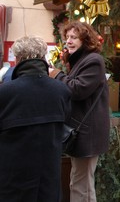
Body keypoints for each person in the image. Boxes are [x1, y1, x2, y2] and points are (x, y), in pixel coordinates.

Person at [0, 36, 71, 201]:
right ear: (43, 57)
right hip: (49, 178)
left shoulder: (5, 93)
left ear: (17, 59)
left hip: (12, 180)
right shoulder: (61, 90)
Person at [49, 21, 110, 202]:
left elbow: (77, 90)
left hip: (88, 133)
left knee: (80, 184)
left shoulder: (93, 60)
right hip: (83, 131)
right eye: (67, 37)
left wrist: (56, 75)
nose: (68, 41)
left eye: (74, 37)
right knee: (83, 184)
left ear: (85, 40)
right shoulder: (81, 60)